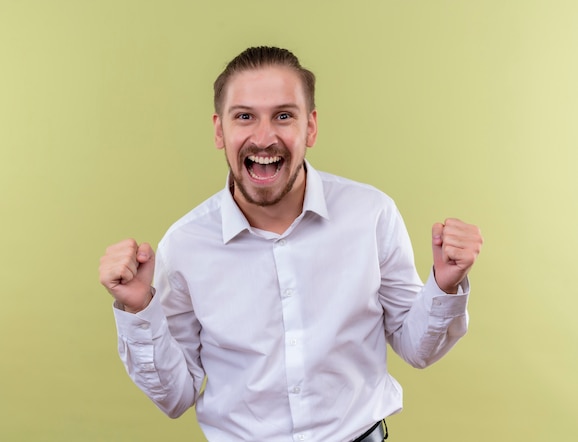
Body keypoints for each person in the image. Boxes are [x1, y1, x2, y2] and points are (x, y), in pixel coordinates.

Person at [99, 46, 483, 442]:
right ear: (219, 130)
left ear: (310, 127)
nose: (264, 138)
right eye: (244, 116)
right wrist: (138, 309)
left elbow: (416, 348)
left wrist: (446, 284)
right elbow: (175, 396)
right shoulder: (184, 245)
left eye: (284, 116)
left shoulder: (371, 214)